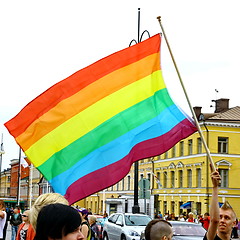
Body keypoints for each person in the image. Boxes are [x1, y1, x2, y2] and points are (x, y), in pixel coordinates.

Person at [203, 168, 236, 240]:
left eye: (227, 218)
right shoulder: (211, 238)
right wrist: (215, 187)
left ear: (234, 223)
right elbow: (214, 220)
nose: (222, 221)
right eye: (220, 217)